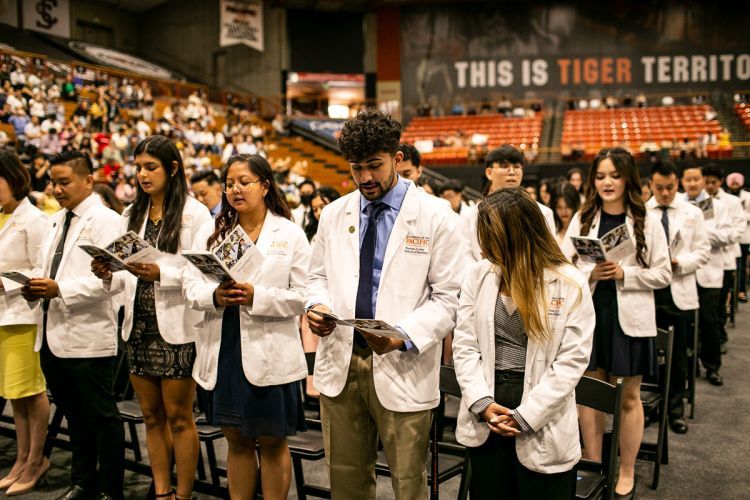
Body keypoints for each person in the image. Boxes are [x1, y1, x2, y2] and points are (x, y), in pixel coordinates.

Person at [305, 109, 462, 499]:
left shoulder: (435, 215)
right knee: (345, 477)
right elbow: (316, 277)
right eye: (356, 168)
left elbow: (451, 297)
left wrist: (403, 335)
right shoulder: (333, 214)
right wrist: (318, 306)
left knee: (409, 482)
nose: (365, 179)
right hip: (342, 362)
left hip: (402, 361)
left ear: (397, 159)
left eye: (374, 166)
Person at [453, 187, 594, 499]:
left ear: (516, 234)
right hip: (489, 408)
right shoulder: (478, 275)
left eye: (490, 234)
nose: (482, 243)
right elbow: (464, 345)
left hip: (541, 409)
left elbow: (571, 362)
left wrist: (527, 415)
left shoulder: (569, 282)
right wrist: (482, 403)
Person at [91, 136, 211, 500]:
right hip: (138, 326)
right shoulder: (131, 214)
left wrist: (161, 274)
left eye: (150, 167)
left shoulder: (195, 214)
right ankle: (161, 491)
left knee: (178, 417)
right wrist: (108, 271)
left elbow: (201, 273)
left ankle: (184, 493)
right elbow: (122, 275)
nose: (142, 175)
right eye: (138, 167)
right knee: (151, 416)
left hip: (177, 327)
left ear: (172, 169)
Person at [184, 154, 310, 499]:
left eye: (244, 182)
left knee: (271, 443)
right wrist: (215, 295)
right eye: (229, 183)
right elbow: (190, 287)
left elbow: (303, 296)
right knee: (236, 441)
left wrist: (257, 295)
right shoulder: (214, 234)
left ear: (265, 186)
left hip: (269, 350)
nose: (235, 189)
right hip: (223, 348)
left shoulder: (289, 234)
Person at [561, 147, 671, 498]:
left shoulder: (647, 219)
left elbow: (663, 273)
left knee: (627, 397)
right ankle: (594, 465)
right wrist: (590, 271)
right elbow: (562, 264)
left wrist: (626, 274)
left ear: (627, 178)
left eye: (614, 175)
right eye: (601, 176)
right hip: (591, 316)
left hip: (629, 320)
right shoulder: (583, 216)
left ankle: (625, 469)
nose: (607, 182)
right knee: (590, 395)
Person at [21, 150, 125, 500]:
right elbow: (44, 266)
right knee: (74, 416)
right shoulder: (56, 220)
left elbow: (116, 280)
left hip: (89, 335)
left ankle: (110, 489)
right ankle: (83, 482)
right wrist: (32, 284)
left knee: (101, 417)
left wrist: (60, 289)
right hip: (52, 332)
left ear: (88, 180)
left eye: (64, 182)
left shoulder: (107, 220)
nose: (57, 189)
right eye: (53, 182)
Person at [0, 151, 50, 495]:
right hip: (3, 316)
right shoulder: (2, 217)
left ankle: (37, 459)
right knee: (15, 394)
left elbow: (41, 268)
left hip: (23, 313)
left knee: (32, 390)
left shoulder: (34, 219)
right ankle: (21, 457)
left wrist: (4, 281)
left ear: (13, 178)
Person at [647, 161, 710, 434]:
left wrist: (678, 262)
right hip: (648, 291)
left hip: (679, 290)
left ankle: (674, 411)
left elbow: (703, 252)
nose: (664, 193)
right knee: (648, 354)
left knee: (678, 356)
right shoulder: (641, 212)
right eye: (659, 188)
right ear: (651, 185)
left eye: (670, 187)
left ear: (678, 184)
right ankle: (650, 405)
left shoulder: (692, 213)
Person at [680, 166, 735, 386]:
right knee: (685, 324)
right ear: (682, 182)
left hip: (710, 273)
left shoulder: (718, 207)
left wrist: (701, 227)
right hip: (683, 272)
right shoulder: (678, 204)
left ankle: (712, 367)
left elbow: (729, 235)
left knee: (709, 321)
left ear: (703, 181)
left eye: (696, 179)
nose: (692, 183)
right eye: (688, 179)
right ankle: (688, 368)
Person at [463, 145, 556, 262]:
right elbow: (466, 259)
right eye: (504, 166)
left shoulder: (543, 213)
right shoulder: (470, 215)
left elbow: (549, 256)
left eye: (516, 167)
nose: (512, 172)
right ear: (489, 172)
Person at [702, 164, 744, 354]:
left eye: (713, 182)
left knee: (719, 305)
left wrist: (706, 236)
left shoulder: (732, 202)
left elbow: (735, 233)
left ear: (720, 182)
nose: (709, 186)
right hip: (703, 262)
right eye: (707, 182)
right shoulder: (698, 202)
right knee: (707, 310)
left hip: (726, 259)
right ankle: (710, 339)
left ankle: (719, 336)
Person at [726, 172, 750, 301]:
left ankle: (741, 291)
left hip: (745, 237)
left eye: (737, 183)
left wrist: (742, 217)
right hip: (730, 238)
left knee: (742, 267)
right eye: (732, 183)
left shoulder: (748, 196)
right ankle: (730, 295)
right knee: (733, 267)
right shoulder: (725, 198)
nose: (735, 185)